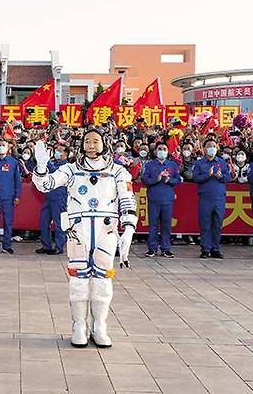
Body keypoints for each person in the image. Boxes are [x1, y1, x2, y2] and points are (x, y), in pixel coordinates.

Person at [32, 128, 137, 348]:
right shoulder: (70, 170)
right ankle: (79, 326)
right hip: (78, 230)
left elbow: (127, 199)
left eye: (96, 141)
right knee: (79, 279)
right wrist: (41, 167)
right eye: (87, 141)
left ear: (104, 144)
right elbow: (45, 185)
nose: (91, 145)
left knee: (102, 278)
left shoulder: (118, 172)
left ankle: (100, 326)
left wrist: (128, 227)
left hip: (105, 230)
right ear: (81, 145)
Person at [192, 138, 231, 259]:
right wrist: (206, 175)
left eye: (214, 146)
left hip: (219, 197)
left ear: (217, 148)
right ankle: (205, 248)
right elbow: (195, 178)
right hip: (205, 197)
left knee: (217, 224)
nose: (211, 148)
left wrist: (221, 176)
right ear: (204, 149)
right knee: (205, 224)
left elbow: (228, 177)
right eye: (209, 146)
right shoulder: (199, 163)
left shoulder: (221, 162)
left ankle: (216, 248)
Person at [141, 142, 181, 258]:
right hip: (154, 199)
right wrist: (156, 179)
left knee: (166, 225)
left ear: (168, 151)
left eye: (164, 149)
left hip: (167, 199)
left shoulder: (172, 165)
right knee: (153, 225)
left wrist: (169, 180)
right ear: (155, 151)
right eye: (159, 149)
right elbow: (145, 179)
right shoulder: (149, 165)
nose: (162, 151)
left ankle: (166, 248)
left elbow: (177, 179)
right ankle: (152, 248)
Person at [0, 139, 21, 254]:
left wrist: (17, 196)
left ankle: (7, 245)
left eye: (3, 145)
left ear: (8, 148)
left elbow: (18, 180)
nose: (1, 147)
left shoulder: (13, 162)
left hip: (8, 196)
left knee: (8, 222)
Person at [35, 145, 68, 255]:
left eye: (60, 151)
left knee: (59, 224)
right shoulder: (54, 163)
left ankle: (59, 247)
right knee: (43, 223)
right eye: (57, 150)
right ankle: (46, 246)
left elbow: (55, 173)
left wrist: (45, 160)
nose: (57, 152)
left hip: (59, 198)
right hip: (48, 197)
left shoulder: (67, 167)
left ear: (66, 154)